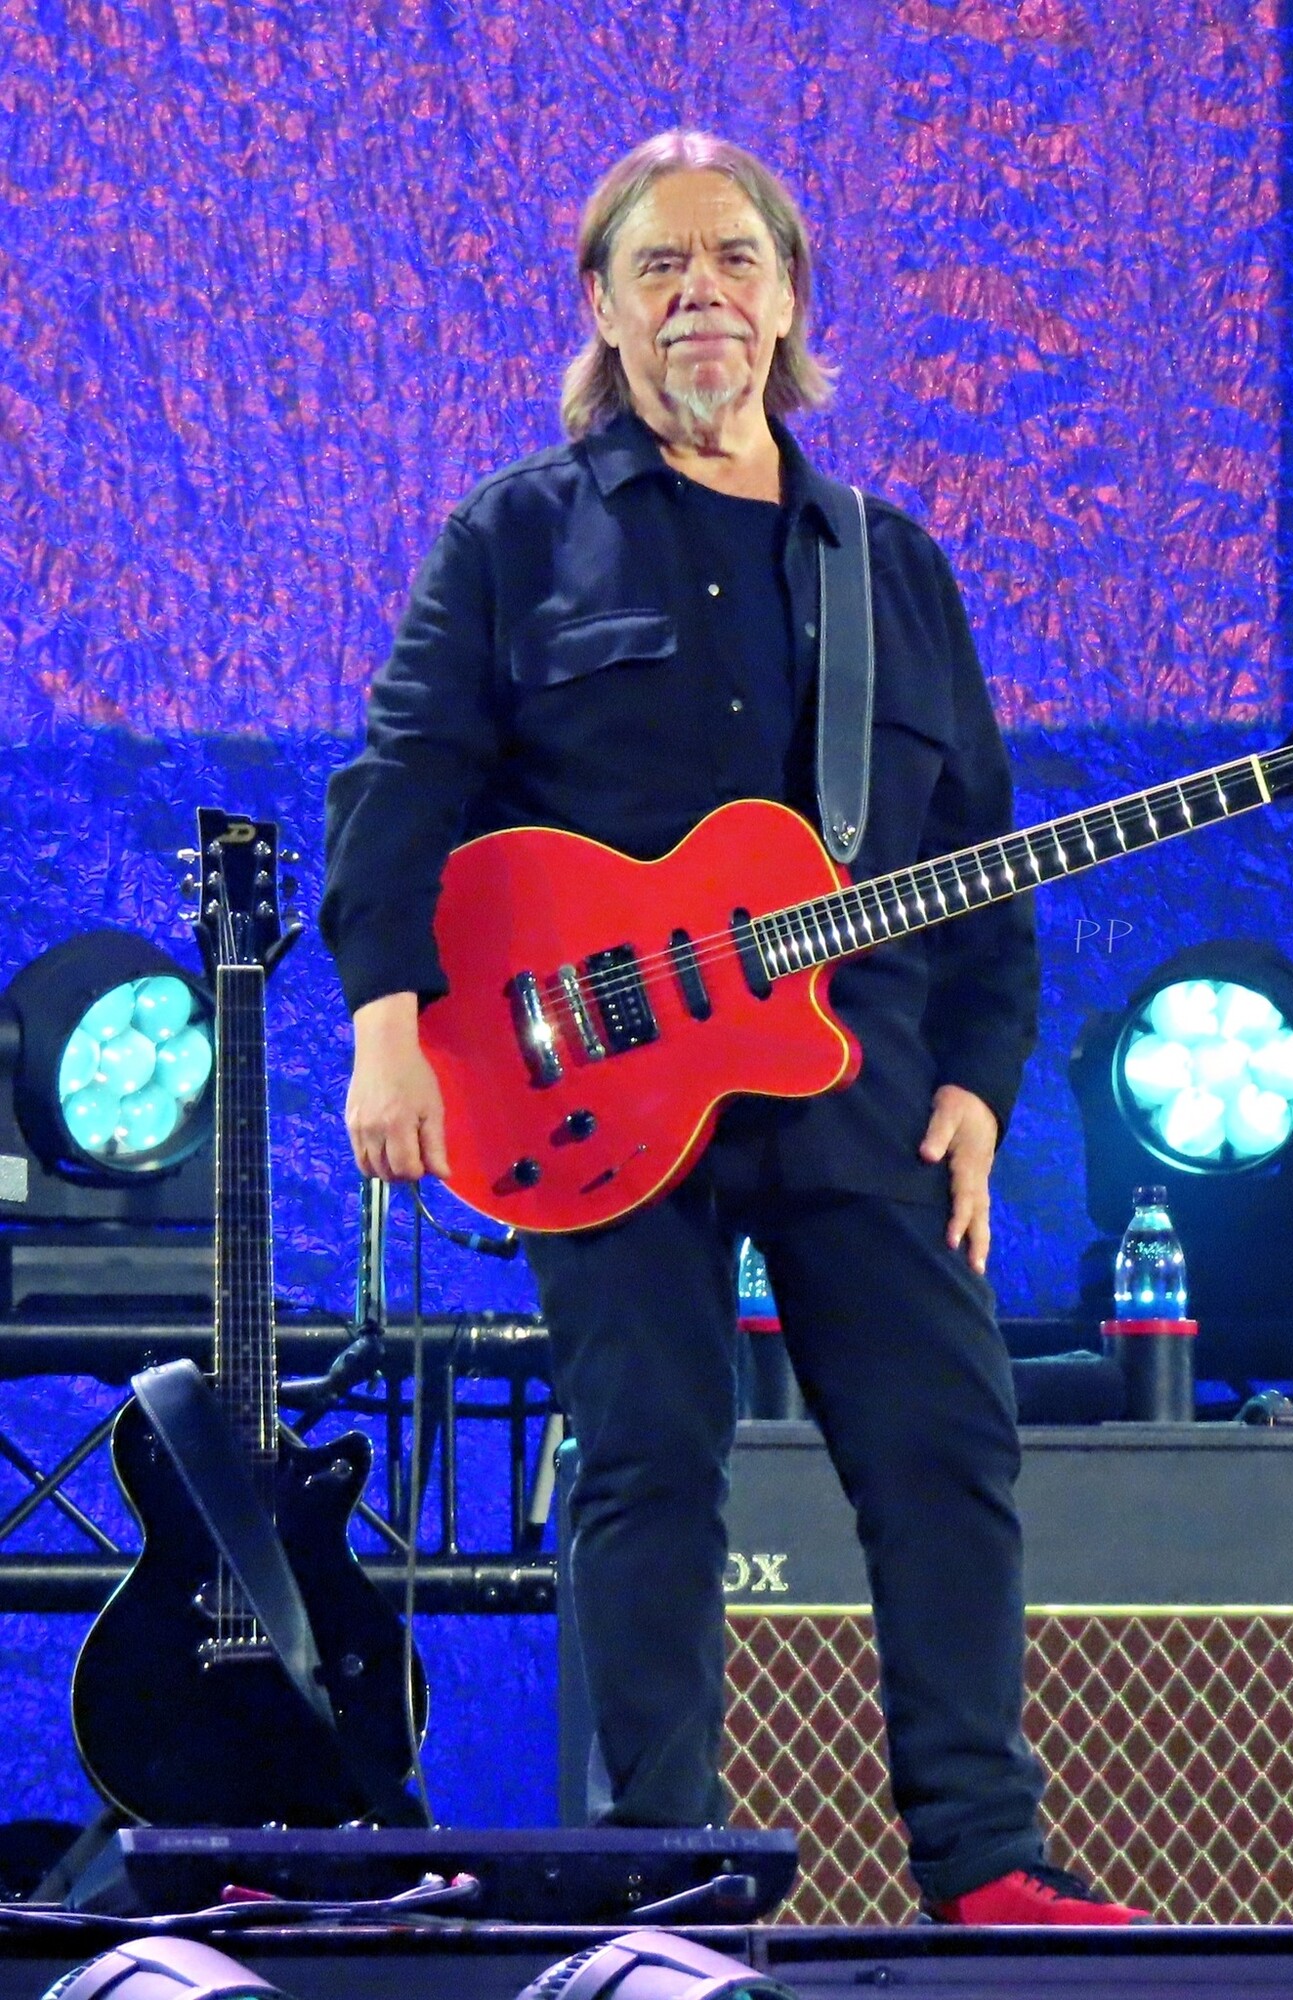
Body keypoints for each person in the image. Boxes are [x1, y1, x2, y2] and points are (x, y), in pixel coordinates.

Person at [320, 130, 1145, 1926]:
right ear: (604, 310)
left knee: (946, 1446)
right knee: (651, 1457)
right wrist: (387, 1024)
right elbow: (402, 786)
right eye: (662, 266)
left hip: (859, 1080)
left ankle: (986, 1862)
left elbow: (981, 854)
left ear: (789, 302)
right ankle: (663, 1869)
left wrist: (980, 1086)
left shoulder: (888, 564)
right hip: (592, 1083)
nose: (702, 293)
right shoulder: (516, 536)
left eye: (735, 261)